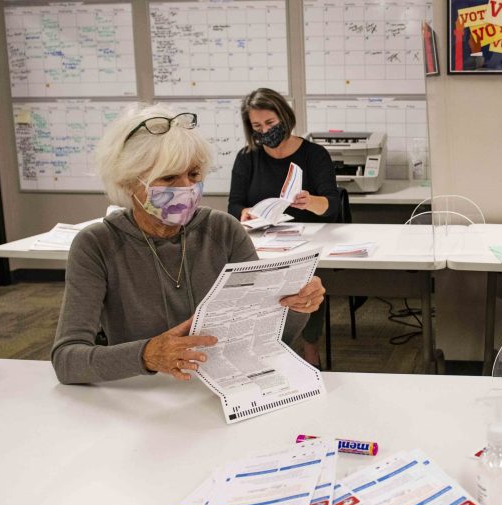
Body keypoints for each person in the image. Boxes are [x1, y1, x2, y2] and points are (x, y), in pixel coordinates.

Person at [51, 104, 326, 385]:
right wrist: (146, 355)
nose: (186, 187)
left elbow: (267, 336)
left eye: (193, 175)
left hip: (223, 385)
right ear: (129, 182)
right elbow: (67, 360)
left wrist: (296, 303)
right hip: (140, 396)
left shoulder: (223, 230)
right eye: (169, 177)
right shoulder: (97, 245)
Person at [228, 88, 344, 367]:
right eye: (257, 126)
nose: (264, 131)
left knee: (304, 281)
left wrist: (311, 201)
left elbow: (332, 206)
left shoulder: (314, 154)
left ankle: (310, 347)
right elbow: (233, 205)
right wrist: (245, 213)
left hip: (307, 241)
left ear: (284, 117)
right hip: (262, 240)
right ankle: (263, 347)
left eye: (270, 123)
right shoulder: (247, 157)